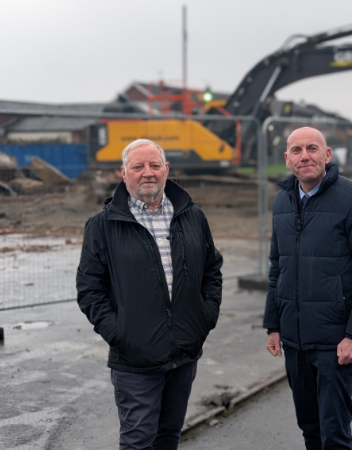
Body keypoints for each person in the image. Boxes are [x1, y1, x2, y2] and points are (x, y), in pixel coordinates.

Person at [77, 139, 223, 449]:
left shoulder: (192, 216)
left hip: (184, 353)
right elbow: (90, 289)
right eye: (138, 166)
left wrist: (204, 318)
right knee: (138, 441)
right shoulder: (103, 226)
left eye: (155, 165)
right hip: (135, 359)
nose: (148, 173)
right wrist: (120, 334)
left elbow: (212, 270)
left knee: (168, 436)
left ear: (166, 170)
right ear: (123, 172)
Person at [264, 127, 352, 450]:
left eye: (312, 148)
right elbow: (278, 266)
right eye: (296, 150)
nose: (304, 156)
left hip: (336, 341)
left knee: (334, 433)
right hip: (295, 339)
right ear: (287, 159)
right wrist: (273, 325)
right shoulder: (283, 200)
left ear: (327, 155)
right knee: (309, 427)